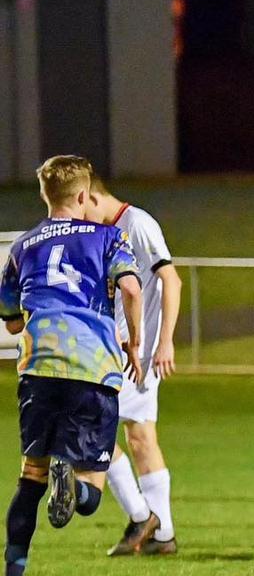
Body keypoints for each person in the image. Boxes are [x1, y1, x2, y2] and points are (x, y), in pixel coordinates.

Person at [0, 156, 146, 576]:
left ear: (45, 196)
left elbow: (10, 317)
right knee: (93, 489)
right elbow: (132, 291)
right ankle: (76, 487)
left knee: (30, 476)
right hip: (91, 366)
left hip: (37, 367)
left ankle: (14, 569)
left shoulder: (22, 245)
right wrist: (133, 343)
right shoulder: (108, 238)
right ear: (83, 195)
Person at [84, 176, 183, 556]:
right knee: (140, 439)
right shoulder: (107, 232)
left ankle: (142, 516)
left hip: (136, 357)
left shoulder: (137, 223)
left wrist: (165, 341)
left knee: (92, 432)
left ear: (93, 196)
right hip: (121, 351)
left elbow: (170, 280)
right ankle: (163, 536)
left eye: (83, 207)